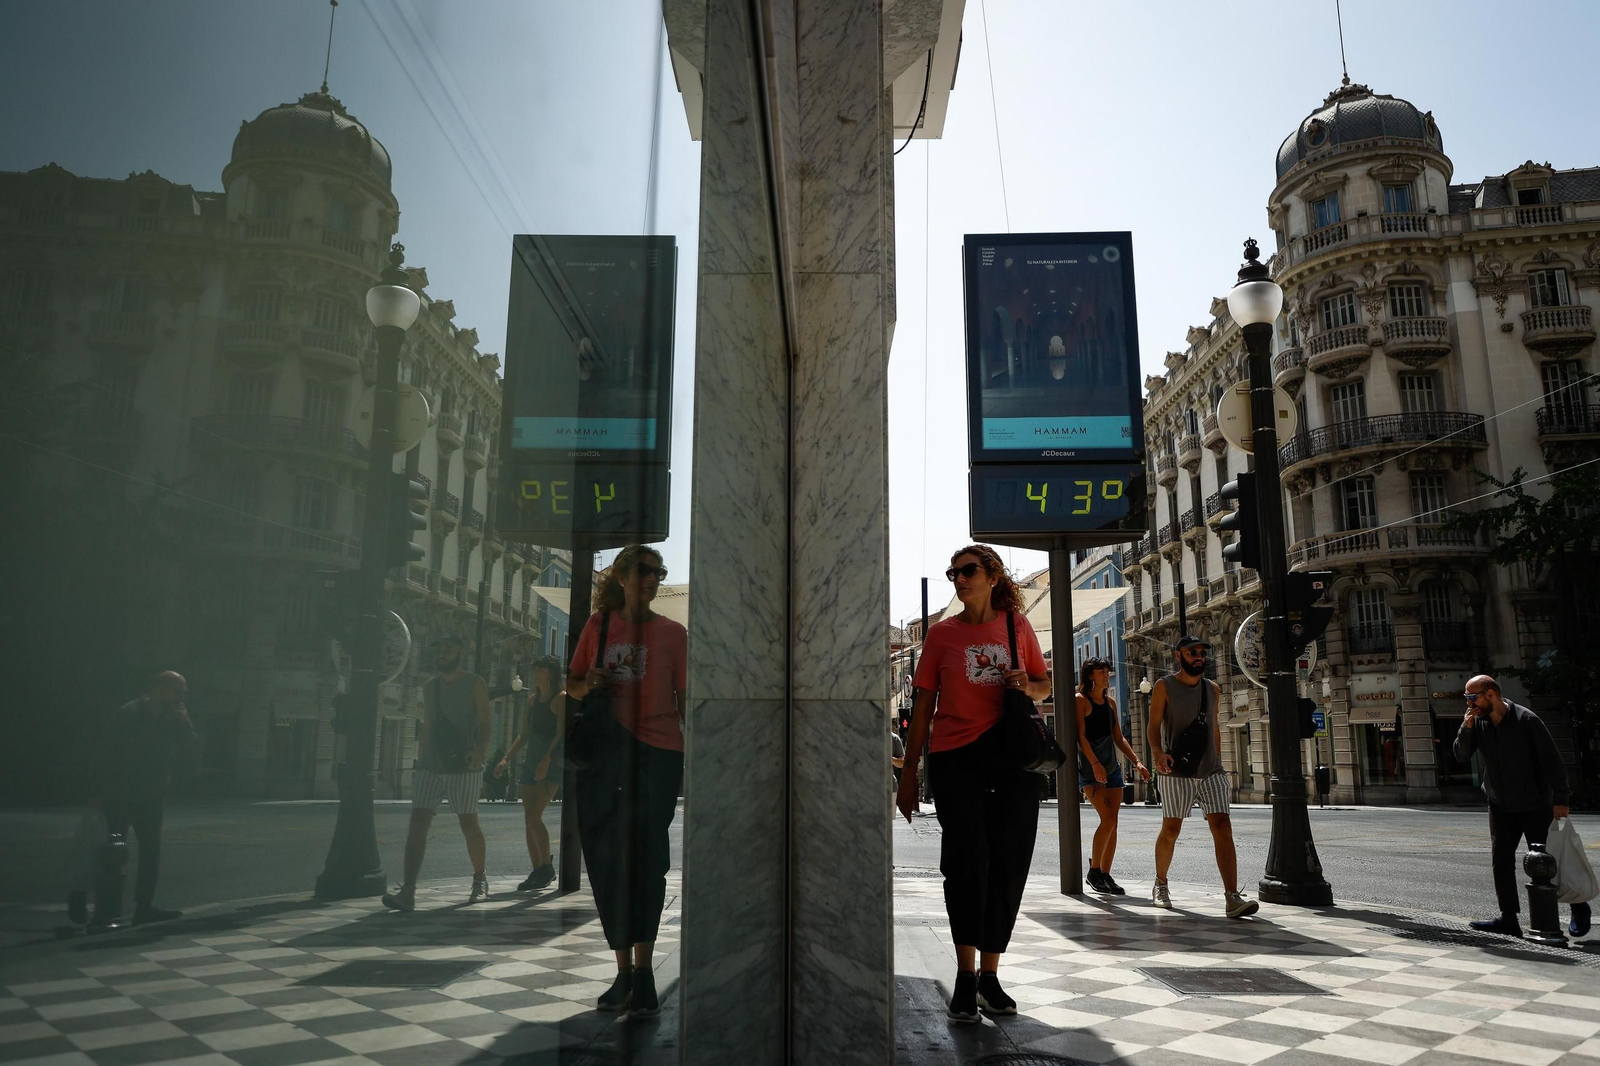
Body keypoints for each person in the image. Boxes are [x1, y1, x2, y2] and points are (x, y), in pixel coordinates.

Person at [897, 545, 1052, 1023]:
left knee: (1008, 863)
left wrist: (1026, 684)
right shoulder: (942, 636)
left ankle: (990, 976)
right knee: (966, 864)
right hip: (955, 759)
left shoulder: (1016, 626)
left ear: (992, 574)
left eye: (967, 571)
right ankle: (965, 978)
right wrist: (908, 776)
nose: (958, 580)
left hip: (1010, 759)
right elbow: (922, 710)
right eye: (952, 573)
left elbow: (1045, 686)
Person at [566, 545, 686, 1019]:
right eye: (643, 571)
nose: (652, 579)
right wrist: (587, 681)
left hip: (657, 754)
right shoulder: (598, 627)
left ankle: (644, 972)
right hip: (605, 754)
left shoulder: (674, 633)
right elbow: (571, 685)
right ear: (619, 576)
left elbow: (687, 699)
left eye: (658, 572)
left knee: (648, 860)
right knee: (606, 861)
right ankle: (622, 972)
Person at [1453, 674, 1591, 938]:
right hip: (1499, 805)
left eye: (1472, 697)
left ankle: (1578, 904)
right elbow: (1460, 755)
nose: (1469, 703)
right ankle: (1508, 918)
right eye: (1467, 698)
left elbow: (1551, 760)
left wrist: (1561, 798)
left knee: (1546, 861)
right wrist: (1466, 728)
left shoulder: (1526, 720)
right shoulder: (1478, 723)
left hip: (1534, 804)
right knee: (1501, 861)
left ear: (1490, 694)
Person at [1146, 636, 1259, 918]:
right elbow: (1153, 726)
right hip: (1176, 769)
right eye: (1193, 652)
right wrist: (1158, 753)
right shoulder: (1164, 686)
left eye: (1202, 653)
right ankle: (1161, 884)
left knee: (1222, 825)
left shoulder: (1213, 689)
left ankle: (1232, 897)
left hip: (1211, 769)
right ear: (1179, 655)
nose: (1199, 657)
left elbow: (1215, 727)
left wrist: (1218, 760)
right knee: (1171, 829)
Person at [382, 636, 492, 912]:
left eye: (448, 649)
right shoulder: (430, 687)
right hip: (431, 765)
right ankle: (408, 891)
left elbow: (486, 721)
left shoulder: (474, 683)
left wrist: (480, 751)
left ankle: (480, 880)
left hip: (463, 766)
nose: (442, 654)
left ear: (460, 652)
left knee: (469, 823)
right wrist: (422, 758)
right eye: (439, 650)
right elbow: (429, 724)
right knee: (418, 822)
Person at [88, 671, 196, 925]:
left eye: (183, 693)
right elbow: (105, 753)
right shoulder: (129, 714)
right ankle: (105, 911)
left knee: (151, 850)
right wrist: (97, 792)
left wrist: (185, 723)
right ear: (159, 689)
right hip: (120, 795)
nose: (180, 697)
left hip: (151, 795)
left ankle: (144, 907)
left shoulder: (173, 717)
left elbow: (191, 749)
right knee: (115, 850)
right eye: (177, 690)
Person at [1075, 656, 1150, 895]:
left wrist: (1137, 762)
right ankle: (1094, 871)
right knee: (1107, 820)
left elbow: (1119, 737)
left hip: (1112, 769)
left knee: (1113, 823)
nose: (1107, 675)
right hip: (1090, 769)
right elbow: (1081, 737)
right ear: (1090, 676)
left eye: (1108, 671)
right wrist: (1094, 763)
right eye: (1102, 672)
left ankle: (1105, 874)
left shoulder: (1110, 703)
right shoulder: (1080, 700)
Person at [497, 656, 566, 891]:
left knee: (535, 815)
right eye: (535, 669)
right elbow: (524, 734)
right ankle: (537, 870)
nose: (536, 673)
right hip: (530, 764)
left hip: (551, 766)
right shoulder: (531, 701)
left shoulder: (560, 699)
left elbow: (560, 735)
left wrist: (546, 760)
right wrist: (506, 759)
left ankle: (547, 867)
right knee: (529, 818)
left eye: (541, 670)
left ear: (551, 673)